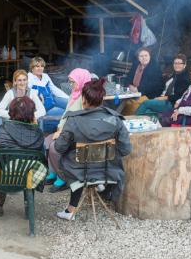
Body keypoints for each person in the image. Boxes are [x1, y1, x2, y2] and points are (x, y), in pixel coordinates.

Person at [53, 77, 132, 220]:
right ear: (102, 99)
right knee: (90, 160)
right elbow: (126, 149)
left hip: (78, 171)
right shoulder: (115, 119)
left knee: (69, 156)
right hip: (108, 171)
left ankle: (71, 210)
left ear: (83, 99)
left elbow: (59, 147)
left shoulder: (73, 120)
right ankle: (102, 187)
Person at [0, 96, 46, 216]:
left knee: (2, 163)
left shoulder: (1, 129)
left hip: (4, 177)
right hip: (27, 176)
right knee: (22, 164)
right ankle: (28, 210)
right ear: (32, 113)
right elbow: (42, 157)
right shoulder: (39, 133)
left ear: (11, 112)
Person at [44, 68, 92, 192]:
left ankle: (63, 177)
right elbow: (65, 114)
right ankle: (53, 172)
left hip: (76, 133)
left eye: (73, 82)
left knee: (55, 147)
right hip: (65, 130)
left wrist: (63, 131)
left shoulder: (86, 97)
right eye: (70, 81)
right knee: (47, 142)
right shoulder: (74, 94)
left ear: (81, 80)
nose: (70, 84)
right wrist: (60, 127)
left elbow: (81, 120)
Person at [0, 69, 46, 145]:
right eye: (19, 80)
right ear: (15, 82)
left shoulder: (32, 93)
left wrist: (30, 116)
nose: (22, 83)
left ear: (27, 81)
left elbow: (42, 110)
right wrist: (15, 115)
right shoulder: (10, 93)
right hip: (14, 124)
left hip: (29, 124)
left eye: (24, 80)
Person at [28, 57, 69, 133]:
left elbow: (54, 89)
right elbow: (28, 96)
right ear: (32, 68)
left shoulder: (45, 76)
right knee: (64, 112)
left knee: (70, 104)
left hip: (51, 100)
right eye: (37, 66)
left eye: (42, 66)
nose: (40, 68)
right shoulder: (29, 78)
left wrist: (69, 98)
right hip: (43, 108)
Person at [121, 47, 163, 115]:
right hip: (133, 92)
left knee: (131, 105)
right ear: (138, 58)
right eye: (141, 56)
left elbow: (154, 85)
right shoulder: (136, 65)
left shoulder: (155, 67)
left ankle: (128, 118)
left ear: (149, 56)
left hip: (148, 95)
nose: (144, 58)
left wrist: (138, 89)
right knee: (120, 101)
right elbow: (128, 77)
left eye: (146, 55)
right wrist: (129, 85)